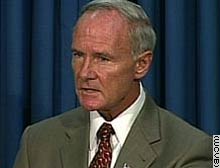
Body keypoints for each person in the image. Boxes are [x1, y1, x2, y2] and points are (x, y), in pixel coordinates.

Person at [13, 0, 212, 168]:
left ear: (141, 65)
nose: (84, 73)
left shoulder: (193, 150)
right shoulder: (37, 141)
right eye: (78, 55)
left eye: (103, 58)